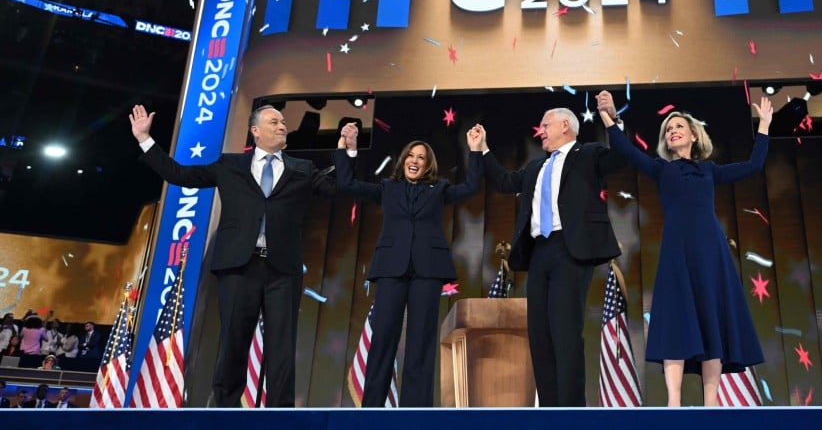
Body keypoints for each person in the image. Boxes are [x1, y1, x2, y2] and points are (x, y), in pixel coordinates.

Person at [129, 103, 346, 407]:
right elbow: (180, 174)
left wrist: (346, 152)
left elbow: (339, 189)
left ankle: (280, 415)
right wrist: (144, 139)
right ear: (255, 131)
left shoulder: (302, 168)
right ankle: (225, 411)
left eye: (283, 122)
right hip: (239, 266)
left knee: (282, 346)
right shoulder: (230, 165)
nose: (282, 125)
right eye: (274, 121)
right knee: (233, 340)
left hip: (282, 270)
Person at [596, 90, 772, 406]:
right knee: (675, 320)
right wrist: (608, 115)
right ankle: (673, 404)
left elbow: (754, 165)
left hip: (711, 252)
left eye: (679, 126)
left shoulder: (710, 170)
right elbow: (625, 147)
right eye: (668, 129)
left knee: (711, 320)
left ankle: (711, 404)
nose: (673, 131)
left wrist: (764, 127)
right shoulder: (661, 169)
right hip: (677, 254)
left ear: (693, 135)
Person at [478, 108, 628, 406]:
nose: (541, 131)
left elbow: (620, 158)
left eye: (546, 125)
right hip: (539, 252)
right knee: (540, 335)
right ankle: (549, 409)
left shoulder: (588, 154)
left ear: (565, 126)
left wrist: (613, 121)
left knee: (565, 331)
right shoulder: (536, 166)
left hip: (570, 250)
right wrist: (482, 149)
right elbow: (505, 182)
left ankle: (570, 411)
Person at [336, 123, 484, 407]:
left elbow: (471, 186)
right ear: (403, 160)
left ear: (428, 165)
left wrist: (475, 151)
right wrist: (349, 150)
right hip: (391, 268)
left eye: (421, 157)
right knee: (383, 337)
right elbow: (347, 184)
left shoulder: (439, 189)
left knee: (421, 340)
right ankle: (372, 408)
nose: (414, 160)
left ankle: (416, 410)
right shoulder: (387, 188)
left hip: (427, 270)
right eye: (410, 156)